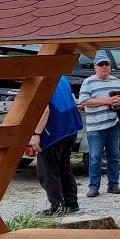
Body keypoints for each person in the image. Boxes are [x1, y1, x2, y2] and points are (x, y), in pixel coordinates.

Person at [31, 75, 83, 216]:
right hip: (70, 128)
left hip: (53, 131)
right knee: (64, 168)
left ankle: (57, 207)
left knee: (47, 171)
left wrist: (36, 134)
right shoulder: (61, 78)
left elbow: (45, 110)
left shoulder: (40, 80)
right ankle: (72, 203)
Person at [78, 53, 120, 197]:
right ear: (95, 67)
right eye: (101, 64)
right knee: (94, 158)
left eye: (107, 64)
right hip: (95, 126)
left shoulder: (118, 82)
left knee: (114, 156)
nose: (105, 67)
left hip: (113, 124)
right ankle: (93, 187)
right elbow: (84, 101)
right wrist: (106, 101)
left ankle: (113, 184)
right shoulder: (88, 82)